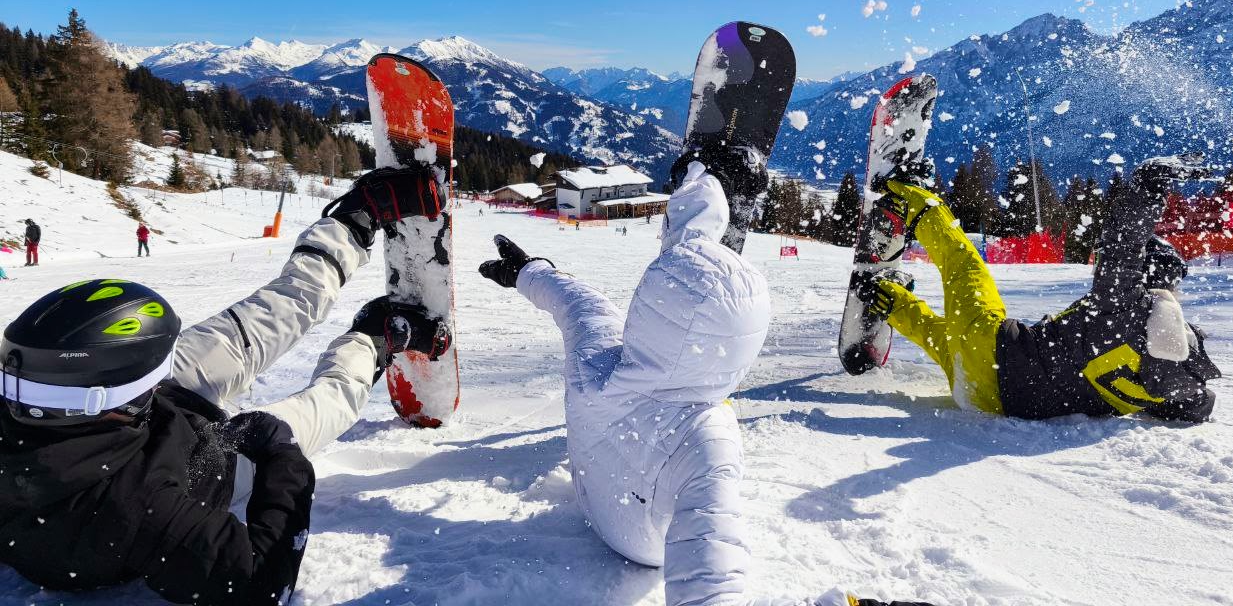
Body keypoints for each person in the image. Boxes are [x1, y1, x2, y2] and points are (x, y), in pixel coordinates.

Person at [481, 155, 932, 606]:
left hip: (594, 498)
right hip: (644, 544)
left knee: (681, 315)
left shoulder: (595, 361)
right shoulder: (708, 441)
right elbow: (709, 589)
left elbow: (580, 303)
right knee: (707, 390)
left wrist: (528, 271)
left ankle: (705, 187)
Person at [0, 165, 448, 605]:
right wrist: (279, 456)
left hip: (133, 416)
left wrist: (153, 381)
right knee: (330, 401)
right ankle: (373, 339)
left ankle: (354, 219)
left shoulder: (56, 399)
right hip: (215, 463)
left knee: (272, 313)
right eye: (152, 374)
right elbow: (259, 582)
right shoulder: (134, 507)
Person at [850, 154, 1221, 421]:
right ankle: (883, 296)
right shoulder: (1172, 381)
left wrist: (1148, 184)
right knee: (941, 337)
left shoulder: (1127, 309)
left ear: (1143, 274)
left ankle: (906, 195)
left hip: (996, 353)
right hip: (987, 399)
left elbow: (1121, 244)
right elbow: (1198, 405)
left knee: (963, 263)